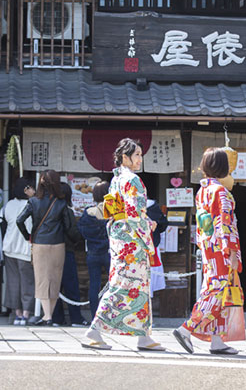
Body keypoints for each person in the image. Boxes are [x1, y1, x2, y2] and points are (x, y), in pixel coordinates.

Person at [83, 138, 165, 351]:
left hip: (121, 236)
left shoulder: (117, 179)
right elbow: (136, 213)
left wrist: (144, 222)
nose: (140, 159)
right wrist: (148, 226)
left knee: (135, 286)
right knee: (124, 285)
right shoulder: (133, 180)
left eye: (140, 154)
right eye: (136, 154)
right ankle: (94, 331)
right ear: (125, 157)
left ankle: (144, 336)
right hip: (131, 241)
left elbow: (125, 212)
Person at [173, 147, 245, 355]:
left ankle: (217, 340)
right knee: (217, 291)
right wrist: (231, 251)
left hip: (207, 247)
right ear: (224, 167)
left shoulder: (202, 191)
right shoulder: (221, 192)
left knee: (216, 290)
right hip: (220, 248)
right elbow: (225, 223)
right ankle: (186, 329)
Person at [16, 169, 71, 326]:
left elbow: (19, 220)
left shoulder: (33, 201)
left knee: (42, 279)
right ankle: (48, 315)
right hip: (58, 244)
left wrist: (28, 237)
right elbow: (67, 225)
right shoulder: (61, 203)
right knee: (55, 279)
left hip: (39, 243)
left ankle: (47, 316)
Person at [52, 182, 89, 327]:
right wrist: (79, 237)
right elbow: (72, 232)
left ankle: (57, 318)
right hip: (65, 251)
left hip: (51, 251)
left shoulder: (49, 209)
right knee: (71, 285)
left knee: (55, 286)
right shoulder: (66, 210)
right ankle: (76, 318)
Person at [0, 177, 35, 326]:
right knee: (27, 282)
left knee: (13, 282)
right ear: (26, 189)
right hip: (25, 248)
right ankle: (27, 313)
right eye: (32, 188)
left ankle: (17, 314)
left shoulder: (9, 205)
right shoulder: (31, 204)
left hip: (9, 248)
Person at [77, 181, 111, 318]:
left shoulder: (88, 212)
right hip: (110, 253)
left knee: (94, 285)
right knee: (114, 285)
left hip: (92, 253)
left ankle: (94, 316)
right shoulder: (114, 211)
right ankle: (111, 316)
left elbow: (81, 230)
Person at [146, 197, 168, 297]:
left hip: (135, 248)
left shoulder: (130, 206)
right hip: (152, 245)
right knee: (152, 275)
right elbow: (163, 224)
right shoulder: (153, 207)